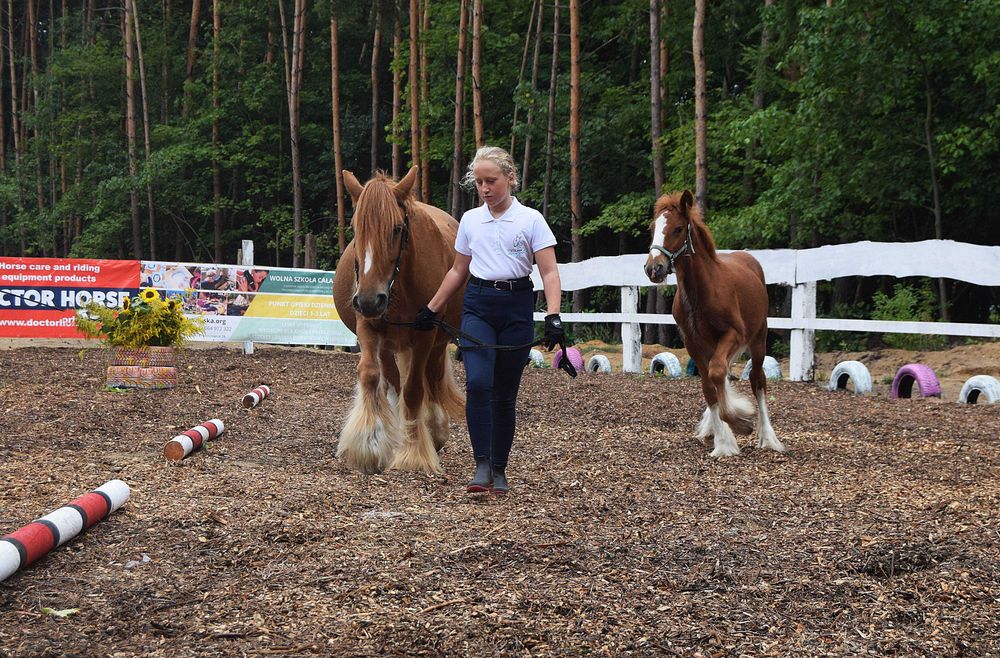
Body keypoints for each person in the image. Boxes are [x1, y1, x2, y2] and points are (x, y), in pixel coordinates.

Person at [414, 146, 566, 496]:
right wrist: (432, 308)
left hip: (516, 307)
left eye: (491, 181)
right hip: (478, 304)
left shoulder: (531, 220)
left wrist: (553, 315)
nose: (485, 188)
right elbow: (458, 270)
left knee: (504, 394)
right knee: (479, 384)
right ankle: (481, 464)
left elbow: (549, 271)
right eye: (479, 182)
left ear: (510, 178)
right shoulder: (470, 220)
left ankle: (499, 468)